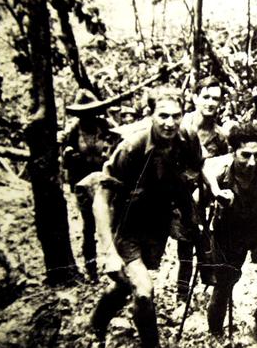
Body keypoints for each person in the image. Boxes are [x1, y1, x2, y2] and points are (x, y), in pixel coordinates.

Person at [90, 89, 203, 348]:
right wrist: (109, 252)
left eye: (176, 116)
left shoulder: (186, 139)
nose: (170, 123)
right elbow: (101, 198)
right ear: (150, 114)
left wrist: (194, 214)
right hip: (126, 225)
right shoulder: (131, 147)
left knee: (124, 285)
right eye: (163, 115)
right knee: (143, 292)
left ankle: (96, 322)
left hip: (156, 226)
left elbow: (197, 168)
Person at [203, 122, 257, 345]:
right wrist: (215, 194)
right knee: (224, 285)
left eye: (256, 155)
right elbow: (200, 182)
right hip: (230, 231)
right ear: (233, 152)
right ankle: (215, 334)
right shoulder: (220, 170)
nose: (252, 162)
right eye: (245, 155)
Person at [175, 76, 230, 301]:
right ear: (195, 97)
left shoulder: (221, 135)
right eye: (205, 96)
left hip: (207, 196)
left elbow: (225, 166)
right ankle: (182, 294)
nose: (210, 102)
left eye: (215, 98)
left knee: (207, 242)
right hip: (179, 194)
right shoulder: (180, 126)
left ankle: (209, 288)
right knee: (185, 244)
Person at [60, 89, 114, 281]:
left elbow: (117, 146)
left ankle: (114, 265)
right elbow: (64, 162)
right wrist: (69, 155)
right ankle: (91, 269)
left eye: (90, 111)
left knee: (111, 222)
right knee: (89, 225)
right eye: (83, 112)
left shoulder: (104, 126)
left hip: (104, 181)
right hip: (82, 184)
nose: (87, 115)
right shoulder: (73, 131)